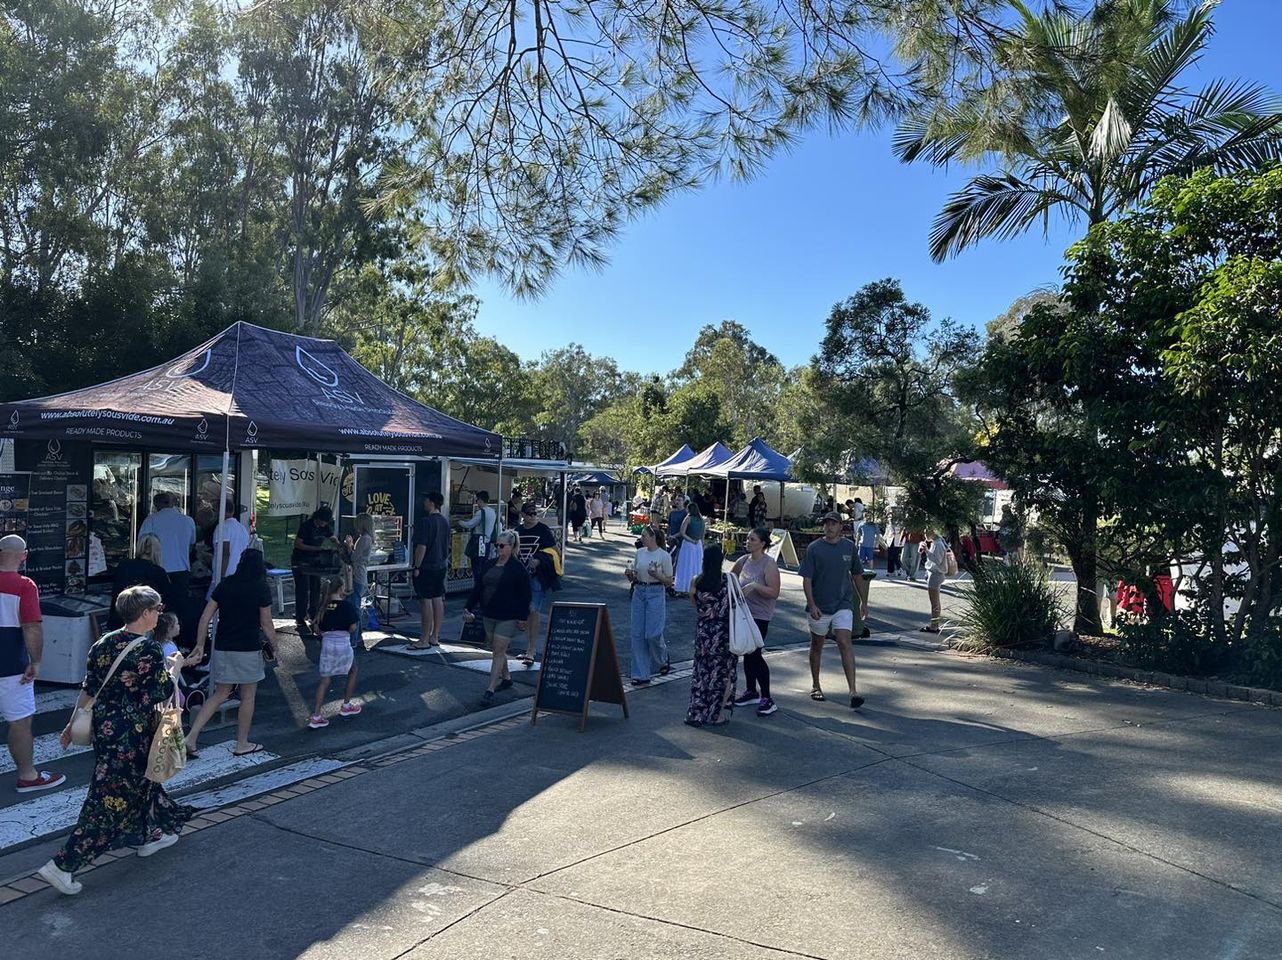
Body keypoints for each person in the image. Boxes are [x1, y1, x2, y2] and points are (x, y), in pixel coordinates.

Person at [39, 586, 195, 895]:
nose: (159, 614)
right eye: (157, 609)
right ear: (145, 613)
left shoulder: (103, 643)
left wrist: (72, 724)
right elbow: (160, 692)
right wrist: (174, 668)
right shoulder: (148, 649)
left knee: (140, 783)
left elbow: (89, 689)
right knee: (109, 799)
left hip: (106, 729)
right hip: (133, 733)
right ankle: (62, 865)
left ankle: (153, 835)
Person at [184, 549, 276, 757]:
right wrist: (275, 645)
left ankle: (191, 737)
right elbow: (267, 623)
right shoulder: (261, 588)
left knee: (220, 693)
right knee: (248, 695)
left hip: (223, 646)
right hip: (248, 647)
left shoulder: (225, 584)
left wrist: (200, 644)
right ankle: (241, 743)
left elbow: (205, 617)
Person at [1, 535, 66, 794]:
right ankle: (28, 776)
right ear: (24, 556)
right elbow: (31, 628)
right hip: (10, 664)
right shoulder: (24, 585)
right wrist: (36, 661)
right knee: (19, 722)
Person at [799, 512, 869, 709]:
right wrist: (812, 604)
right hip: (820, 605)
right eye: (826, 524)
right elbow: (807, 579)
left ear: (840, 527)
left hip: (843, 603)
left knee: (844, 641)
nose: (829, 527)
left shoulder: (849, 547)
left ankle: (853, 691)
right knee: (817, 644)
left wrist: (864, 601)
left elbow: (857, 575)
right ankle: (816, 684)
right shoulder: (814, 549)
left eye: (833, 524)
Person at [463, 530, 530, 703]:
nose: (498, 548)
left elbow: (525, 595)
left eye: (502, 546)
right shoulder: (490, 564)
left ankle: (490, 689)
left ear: (511, 546)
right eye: (497, 545)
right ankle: (506, 678)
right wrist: (468, 607)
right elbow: (478, 587)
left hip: (508, 615)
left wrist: (523, 617)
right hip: (489, 613)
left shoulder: (517, 568)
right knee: (497, 649)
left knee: (498, 651)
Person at [730, 527, 780, 717]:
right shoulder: (743, 560)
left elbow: (774, 592)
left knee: (755, 654)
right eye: (748, 539)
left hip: (760, 615)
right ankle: (751, 691)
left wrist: (755, 586)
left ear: (762, 544)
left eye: (752, 539)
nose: (748, 542)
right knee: (746, 653)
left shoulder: (769, 564)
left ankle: (767, 698)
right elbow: (730, 578)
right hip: (743, 613)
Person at [686, 545, 735, 726]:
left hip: (704, 634)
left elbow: (695, 604)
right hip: (723, 634)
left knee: (701, 674)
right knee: (723, 674)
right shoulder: (727, 582)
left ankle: (697, 713)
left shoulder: (696, 582)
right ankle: (717, 714)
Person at [307, 576, 362, 728]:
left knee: (325, 680)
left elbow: (317, 629)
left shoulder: (323, 607)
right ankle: (346, 705)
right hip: (343, 644)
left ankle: (317, 715)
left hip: (327, 645)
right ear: (341, 589)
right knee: (352, 671)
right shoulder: (347, 606)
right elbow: (352, 627)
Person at [624, 524, 673, 685]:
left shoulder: (664, 556)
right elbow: (635, 577)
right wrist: (630, 575)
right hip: (639, 591)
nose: (641, 538)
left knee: (653, 633)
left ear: (652, 538)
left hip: (655, 592)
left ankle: (663, 657)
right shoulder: (639, 553)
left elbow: (669, 582)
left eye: (644, 536)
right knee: (637, 634)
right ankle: (640, 674)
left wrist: (658, 575)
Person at [514, 502, 559, 664]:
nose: (533, 516)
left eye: (535, 513)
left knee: (533, 609)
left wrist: (540, 560)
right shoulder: (517, 532)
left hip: (537, 577)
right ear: (523, 515)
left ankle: (531, 650)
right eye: (530, 513)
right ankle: (528, 647)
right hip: (521, 577)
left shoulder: (543, 530)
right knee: (526, 611)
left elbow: (555, 552)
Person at [139, 491, 196, 607]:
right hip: (182, 569)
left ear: (156, 505)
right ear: (172, 504)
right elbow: (192, 543)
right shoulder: (188, 520)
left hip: (158, 569)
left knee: (158, 607)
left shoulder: (151, 520)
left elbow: (142, 543)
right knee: (180, 607)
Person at [410, 492, 451, 649]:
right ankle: (435, 635)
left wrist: (417, 566)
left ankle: (424, 639)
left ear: (432, 503)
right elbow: (447, 546)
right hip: (440, 565)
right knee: (437, 598)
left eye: (426, 500)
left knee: (425, 601)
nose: (424, 503)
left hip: (426, 566)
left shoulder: (425, 522)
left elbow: (421, 546)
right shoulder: (445, 522)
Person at [290, 505, 339, 634]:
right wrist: (316, 549)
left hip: (315, 561)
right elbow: (298, 544)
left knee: (315, 587)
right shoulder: (306, 526)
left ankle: (313, 614)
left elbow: (332, 537)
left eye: (325, 523)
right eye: (321, 521)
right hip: (300, 559)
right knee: (302, 589)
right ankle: (300, 616)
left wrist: (338, 545)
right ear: (317, 517)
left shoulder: (325, 527)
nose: (322, 524)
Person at [106, 534, 171, 629]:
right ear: (157, 551)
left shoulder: (124, 566)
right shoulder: (158, 571)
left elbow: (115, 592)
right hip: (144, 623)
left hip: (120, 618)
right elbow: (167, 600)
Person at [341, 512, 373, 648]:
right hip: (360, 574)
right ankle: (358, 636)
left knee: (353, 607)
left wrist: (349, 546)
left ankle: (353, 640)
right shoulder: (365, 538)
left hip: (357, 575)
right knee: (354, 605)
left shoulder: (364, 539)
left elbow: (354, 558)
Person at [459, 491, 499, 588]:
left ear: (480, 500)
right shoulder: (493, 511)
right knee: (483, 565)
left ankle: (478, 588)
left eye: (477, 500)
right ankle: (484, 587)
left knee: (476, 566)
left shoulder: (481, 512)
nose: (477, 502)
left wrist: (460, 522)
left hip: (478, 541)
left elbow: (470, 524)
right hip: (487, 541)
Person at [212, 500, 252, 580]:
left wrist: (221, 575)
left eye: (214, 510)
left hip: (226, 573)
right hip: (239, 571)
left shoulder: (222, 527)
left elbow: (225, 553)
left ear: (220, 511)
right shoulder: (242, 528)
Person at [920, 530, 950, 633]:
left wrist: (927, 551)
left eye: (926, 532)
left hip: (936, 574)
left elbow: (937, 560)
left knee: (934, 602)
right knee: (935, 601)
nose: (925, 534)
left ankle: (934, 625)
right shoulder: (936, 543)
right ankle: (935, 624)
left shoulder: (938, 544)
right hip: (934, 573)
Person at [673, 500, 706, 593]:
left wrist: (691, 540)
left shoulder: (688, 518)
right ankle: (695, 585)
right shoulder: (701, 520)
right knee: (696, 565)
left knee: (686, 565)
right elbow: (703, 534)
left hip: (688, 544)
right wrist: (700, 543)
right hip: (698, 545)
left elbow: (682, 532)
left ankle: (684, 585)